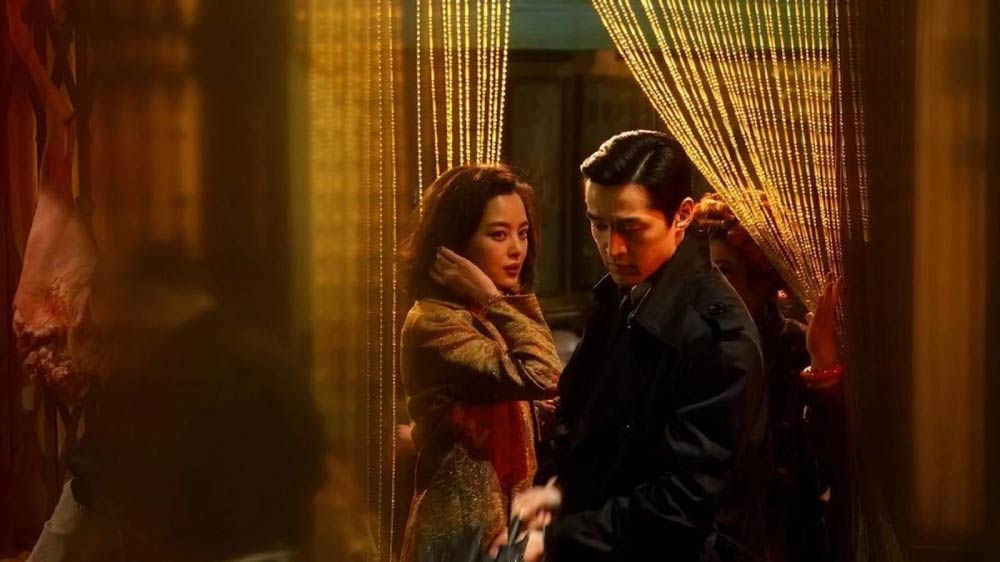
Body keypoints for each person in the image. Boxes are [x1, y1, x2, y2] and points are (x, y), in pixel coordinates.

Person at [503, 131, 769, 562]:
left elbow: (683, 504)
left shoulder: (717, 338)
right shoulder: (622, 293)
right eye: (598, 224)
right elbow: (587, 422)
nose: (613, 248)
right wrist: (557, 489)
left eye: (630, 227)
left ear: (682, 215)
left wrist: (559, 537)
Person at [398, 165, 561, 562]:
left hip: (509, 530)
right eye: (498, 234)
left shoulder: (487, 317)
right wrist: (493, 297)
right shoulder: (434, 323)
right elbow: (543, 373)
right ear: (456, 245)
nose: (517, 250)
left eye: (523, 233)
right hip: (460, 538)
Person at [694, 193, 847, 562]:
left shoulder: (792, 346)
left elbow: (830, 458)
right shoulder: (688, 345)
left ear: (760, 279)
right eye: (702, 270)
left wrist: (822, 361)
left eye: (724, 271)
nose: (709, 284)